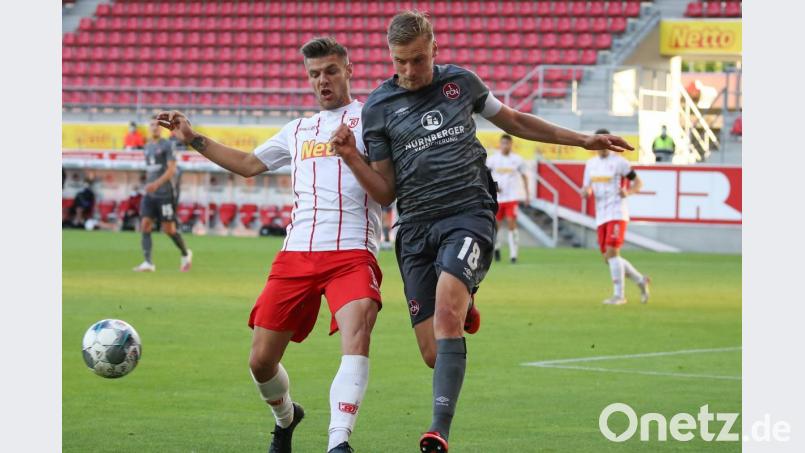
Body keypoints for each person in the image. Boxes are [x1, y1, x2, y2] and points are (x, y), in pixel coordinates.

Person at [329, 11, 634, 452]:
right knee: (434, 353)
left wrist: (584, 140)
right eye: (401, 62)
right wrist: (351, 158)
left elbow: (515, 121)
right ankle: (465, 299)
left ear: (434, 48)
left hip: (468, 213)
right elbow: (385, 192)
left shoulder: (460, 84)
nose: (410, 71)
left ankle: (438, 430)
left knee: (449, 316)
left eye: (418, 59)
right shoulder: (379, 107)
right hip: (414, 230)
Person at [156, 37, 382, 453]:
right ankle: (286, 417)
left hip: (352, 250)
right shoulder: (297, 130)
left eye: (331, 70)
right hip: (296, 252)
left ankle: (338, 442)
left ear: (348, 70)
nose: (323, 81)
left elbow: (388, 190)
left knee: (357, 335)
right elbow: (247, 165)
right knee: (260, 361)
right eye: (314, 74)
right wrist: (193, 138)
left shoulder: (375, 119)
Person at [582, 128, 650, 305]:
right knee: (609, 258)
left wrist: (628, 192)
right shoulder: (590, 165)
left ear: (609, 144)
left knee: (612, 253)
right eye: (599, 143)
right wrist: (586, 191)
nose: (602, 147)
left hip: (617, 211)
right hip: (601, 215)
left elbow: (638, 182)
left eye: (605, 143)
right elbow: (586, 187)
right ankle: (640, 280)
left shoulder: (619, 162)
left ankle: (619, 296)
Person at [132, 118, 192, 272]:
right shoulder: (147, 147)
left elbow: (171, 170)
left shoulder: (168, 145)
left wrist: (156, 185)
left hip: (165, 194)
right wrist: (147, 184)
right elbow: (151, 171)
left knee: (169, 229)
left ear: (162, 129)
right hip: (150, 194)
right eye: (152, 125)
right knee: (145, 225)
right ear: (148, 128)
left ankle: (186, 253)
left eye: (157, 125)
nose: (155, 128)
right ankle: (148, 262)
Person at [486, 134, 530, 263]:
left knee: (512, 224)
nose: (505, 146)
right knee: (495, 226)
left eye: (507, 143)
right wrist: (493, 188)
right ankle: (497, 247)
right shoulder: (493, 159)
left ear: (511, 144)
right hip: (497, 199)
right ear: (500, 144)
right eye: (503, 143)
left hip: (512, 198)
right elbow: (486, 175)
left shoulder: (517, 159)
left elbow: (524, 176)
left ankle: (513, 255)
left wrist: (527, 195)